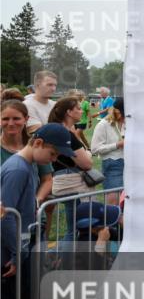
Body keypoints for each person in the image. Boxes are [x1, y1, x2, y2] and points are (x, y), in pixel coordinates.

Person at [1, 123, 74, 299]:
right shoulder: (18, 169)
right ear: (39, 143)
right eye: (53, 154)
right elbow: (5, 215)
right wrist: (17, 254)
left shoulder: (26, 166)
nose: (53, 161)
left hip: (16, 249)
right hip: (9, 255)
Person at [47, 98, 96, 235]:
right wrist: (88, 154)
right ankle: (65, 256)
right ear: (69, 112)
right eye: (79, 108)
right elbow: (86, 164)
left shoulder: (60, 131)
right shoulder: (66, 134)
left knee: (73, 229)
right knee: (77, 231)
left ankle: (64, 256)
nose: (82, 111)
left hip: (62, 180)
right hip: (73, 184)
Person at [1, 101, 54, 206]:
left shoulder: (36, 146)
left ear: (26, 119)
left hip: (31, 215)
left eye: (16, 118)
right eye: (5, 119)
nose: (11, 123)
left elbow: (47, 180)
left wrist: (37, 200)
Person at [91, 98, 125, 192]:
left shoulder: (130, 123)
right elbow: (94, 149)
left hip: (131, 164)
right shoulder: (103, 124)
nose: (125, 117)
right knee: (113, 201)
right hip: (113, 164)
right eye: (123, 114)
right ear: (116, 111)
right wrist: (117, 145)